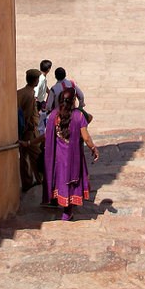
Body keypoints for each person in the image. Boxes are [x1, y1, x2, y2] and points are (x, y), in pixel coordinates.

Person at [42, 87, 99, 219]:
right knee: (70, 182)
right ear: (73, 100)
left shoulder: (54, 116)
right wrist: (93, 149)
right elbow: (86, 137)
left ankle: (56, 200)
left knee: (59, 179)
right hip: (73, 156)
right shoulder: (78, 116)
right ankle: (67, 213)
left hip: (58, 156)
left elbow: (48, 135)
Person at [19, 70, 44, 194]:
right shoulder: (29, 95)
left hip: (22, 131)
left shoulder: (21, 92)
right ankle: (41, 179)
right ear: (35, 80)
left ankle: (27, 183)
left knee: (24, 158)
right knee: (38, 156)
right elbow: (28, 114)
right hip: (29, 131)